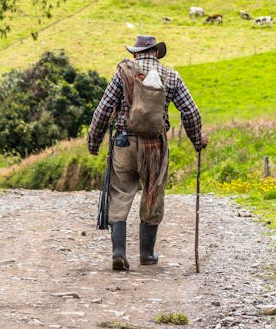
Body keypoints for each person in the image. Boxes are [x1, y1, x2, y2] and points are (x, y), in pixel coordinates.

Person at [88, 34, 207, 271]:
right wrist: (197, 140)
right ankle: (147, 254)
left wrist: (94, 142)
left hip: (124, 143)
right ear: (156, 52)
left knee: (120, 193)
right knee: (153, 193)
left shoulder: (123, 72)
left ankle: (119, 252)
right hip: (155, 145)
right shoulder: (171, 76)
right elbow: (191, 112)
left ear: (135, 53)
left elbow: (103, 109)